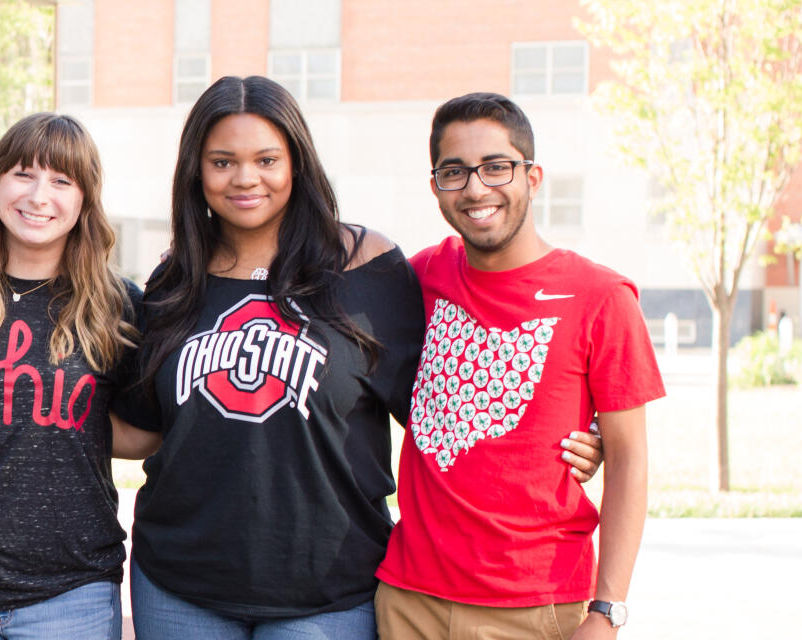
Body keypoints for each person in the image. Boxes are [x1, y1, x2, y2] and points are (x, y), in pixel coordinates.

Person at [115, 77, 605, 639]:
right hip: (180, 586)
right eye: (222, 161)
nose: (246, 178)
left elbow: (446, 401)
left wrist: (575, 436)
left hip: (328, 592)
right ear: (196, 173)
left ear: (297, 164)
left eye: (267, 159)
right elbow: (145, 428)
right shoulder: (173, 280)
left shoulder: (366, 267)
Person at [375, 92, 660, 640]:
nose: (476, 188)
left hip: (536, 606)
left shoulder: (600, 296)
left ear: (533, 177)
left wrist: (608, 612)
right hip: (408, 600)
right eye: (454, 172)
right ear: (435, 187)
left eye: (496, 167)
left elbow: (630, 462)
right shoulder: (418, 279)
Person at [0, 113, 141, 639]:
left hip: (72, 590)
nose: (39, 196)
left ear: (84, 201)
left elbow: (143, 428)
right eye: (23, 174)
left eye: (62, 181)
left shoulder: (117, 305)